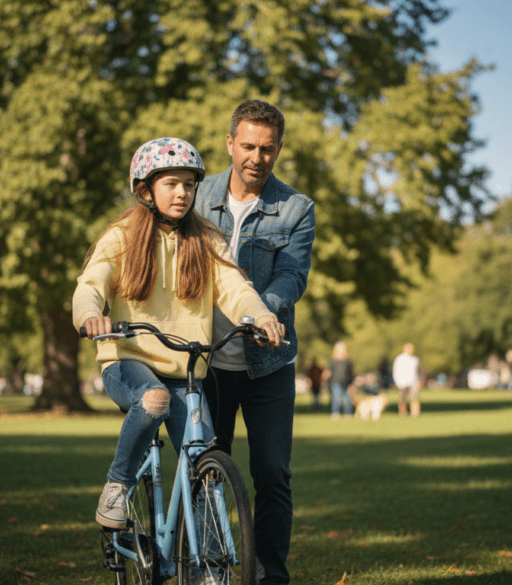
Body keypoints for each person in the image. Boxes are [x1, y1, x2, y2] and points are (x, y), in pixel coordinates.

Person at [71, 138, 284, 538]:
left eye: (189, 184)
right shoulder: (122, 237)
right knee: (153, 400)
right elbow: (91, 283)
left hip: (186, 371)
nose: (182, 193)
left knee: (204, 464)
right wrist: (88, 314)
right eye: (171, 183)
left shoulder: (205, 239)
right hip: (128, 361)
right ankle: (116, 486)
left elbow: (235, 287)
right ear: (145, 189)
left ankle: (207, 565)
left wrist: (261, 316)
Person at [194, 99, 315, 585]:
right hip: (203, 364)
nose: (256, 157)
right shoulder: (194, 198)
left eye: (267, 148)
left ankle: (271, 578)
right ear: (230, 143)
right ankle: (206, 569)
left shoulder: (297, 208)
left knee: (272, 476)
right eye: (247, 145)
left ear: (278, 149)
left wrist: (263, 310)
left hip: (268, 364)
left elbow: (292, 274)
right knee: (202, 468)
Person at [326, 341, 355, 420]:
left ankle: (348, 414)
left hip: (347, 383)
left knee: (348, 399)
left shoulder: (348, 361)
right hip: (336, 382)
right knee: (336, 399)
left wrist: (352, 384)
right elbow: (329, 371)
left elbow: (351, 373)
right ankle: (335, 414)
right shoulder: (333, 361)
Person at [393, 343, 422, 417]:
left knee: (414, 398)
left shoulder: (415, 359)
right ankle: (402, 413)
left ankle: (415, 413)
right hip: (402, 382)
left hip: (413, 381)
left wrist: (419, 381)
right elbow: (395, 371)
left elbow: (418, 371)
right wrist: (397, 381)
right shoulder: (399, 359)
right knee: (402, 399)